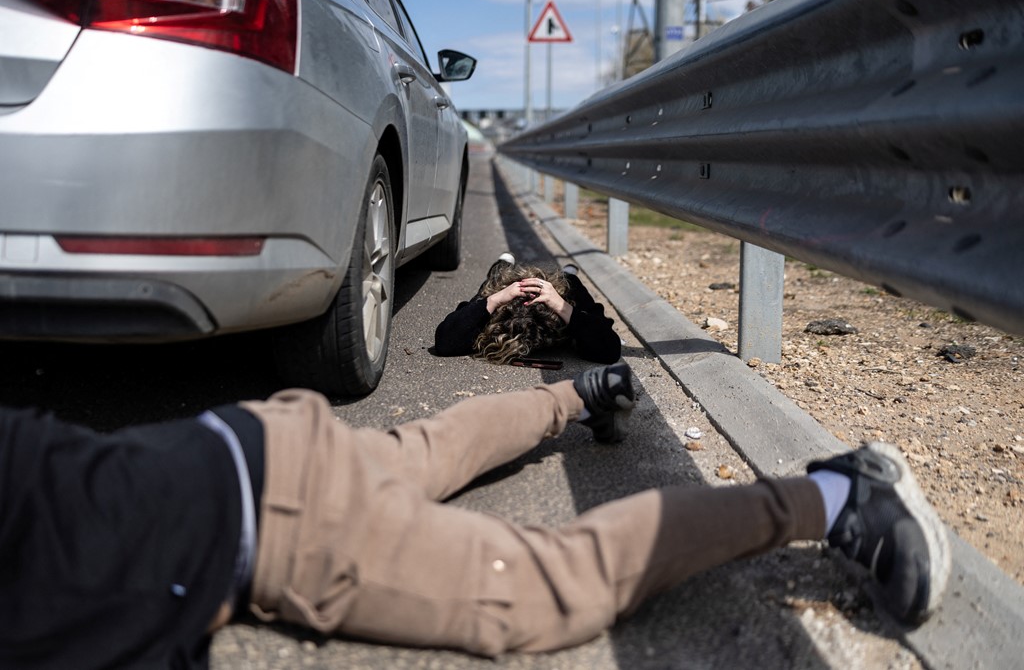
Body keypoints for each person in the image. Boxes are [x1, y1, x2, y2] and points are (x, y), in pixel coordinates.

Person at [0, 363, 950, 669]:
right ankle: (577, 393)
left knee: (551, 588)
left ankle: (840, 495)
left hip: (278, 523)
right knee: (432, 451)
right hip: (243, 444)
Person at [434, 253, 622, 364]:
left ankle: (562, 273)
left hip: (552, 291)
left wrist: (560, 304)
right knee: (494, 281)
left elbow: (609, 346)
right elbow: (445, 342)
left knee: (569, 281)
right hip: (511, 290)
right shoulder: (500, 304)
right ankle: (504, 266)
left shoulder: (567, 295)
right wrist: (496, 298)